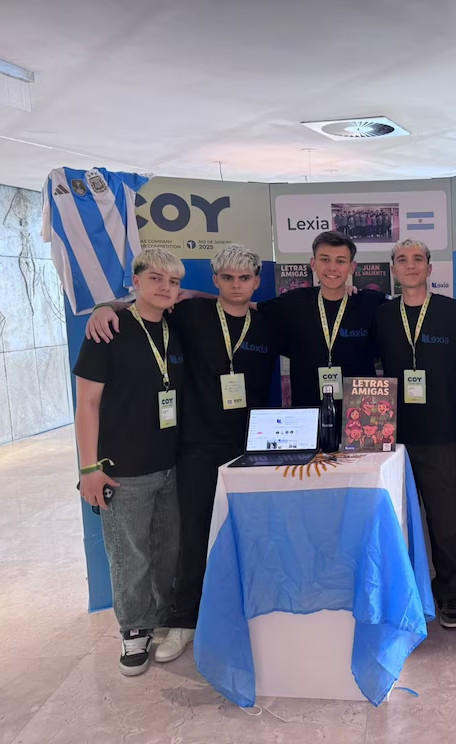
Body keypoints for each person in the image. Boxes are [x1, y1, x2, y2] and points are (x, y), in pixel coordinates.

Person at [84, 244, 282, 662]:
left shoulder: (268, 324)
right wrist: (104, 307)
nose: (235, 286)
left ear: (256, 282)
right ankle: (183, 620)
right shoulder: (189, 315)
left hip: (252, 447)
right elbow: (144, 306)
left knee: (250, 532)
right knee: (191, 538)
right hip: (196, 446)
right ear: (215, 280)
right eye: (227, 278)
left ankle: (251, 610)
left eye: (244, 278)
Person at [73, 247, 186, 676]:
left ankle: (160, 617)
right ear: (135, 282)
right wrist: (89, 468)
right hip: (122, 469)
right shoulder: (108, 331)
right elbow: (87, 405)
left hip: (171, 464)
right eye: (155, 279)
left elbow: (199, 295)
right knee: (129, 556)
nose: (165, 288)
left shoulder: (175, 327)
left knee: (166, 551)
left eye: (173, 282)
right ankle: (134, 629)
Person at [375, 238, 456, 628]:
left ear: (429, 268)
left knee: (444, 519)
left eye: (417, 259)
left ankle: (448, 592)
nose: (410, 265)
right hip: (390, 437)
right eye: (402, 259)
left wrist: (448, 392)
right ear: (394, 269)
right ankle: (401, 590)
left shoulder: (451, 311)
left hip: (439, 435)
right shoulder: (382, 315)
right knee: (394, 518)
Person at [255, 231, 385, 411]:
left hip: (360, 413)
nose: (332, 267)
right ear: (313, 263)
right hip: (308, 412)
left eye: (340, 261)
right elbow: (244, 306)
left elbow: (408, 305)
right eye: (325, 259)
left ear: (352, 267)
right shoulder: (293, 302)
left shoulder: (370, 302)